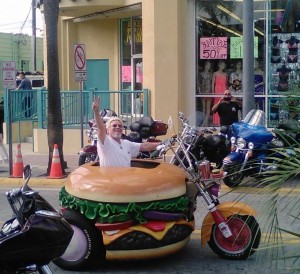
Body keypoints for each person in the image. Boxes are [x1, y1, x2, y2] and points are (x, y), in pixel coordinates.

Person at [92, 96, 161, 167]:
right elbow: (101, 128)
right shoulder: (105, 142)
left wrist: (162, 144)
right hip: (110, 177)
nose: (117, 127)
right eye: (114, 126)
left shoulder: (126, 143)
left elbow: (144, 146)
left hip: (126, 177)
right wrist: (96, 112)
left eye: (120, 126)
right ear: (108, 130)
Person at [211, 61, 228, 126]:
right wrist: (213, 93)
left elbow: (226, 84)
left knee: (223, 104)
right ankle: (216, 121)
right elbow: (213, 83)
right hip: (217, 90)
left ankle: (222, 120)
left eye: (224, 65)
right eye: (222, 65)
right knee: (217, 104)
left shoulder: (226, 74)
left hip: (223, 89)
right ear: (219, 65)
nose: (223, 66)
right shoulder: (215, 73)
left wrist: (227, 92)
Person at [199, 61, 213, 126]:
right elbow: (199, 83)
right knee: (203, 108)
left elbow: (212, 83)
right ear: (205, 66)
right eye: (207, 65)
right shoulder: (201, 74)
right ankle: (203, 120)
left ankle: (206, 121)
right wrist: (199, 90)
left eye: (209, 65)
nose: (208, 67)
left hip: (209, 91)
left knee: (208, 107)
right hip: (203, 91)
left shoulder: (211, 74)